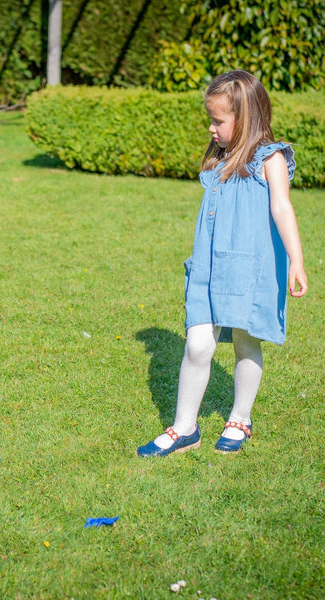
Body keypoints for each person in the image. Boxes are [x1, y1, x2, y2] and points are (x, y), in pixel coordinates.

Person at [137, 70, 308, 457]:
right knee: (198, 346)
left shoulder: (271, 158)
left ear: (246, 118)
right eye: (210, 119)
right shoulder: (219, 159)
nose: (211, 128)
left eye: (218, 121)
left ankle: (240, 418)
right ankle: (185, 428)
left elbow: (282, 208)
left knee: (246, 343)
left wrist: (296, 261)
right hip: (209, 269)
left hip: (251, 270)